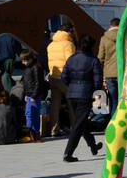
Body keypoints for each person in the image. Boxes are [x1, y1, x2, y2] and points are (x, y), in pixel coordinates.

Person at [61, 34, 103, 162]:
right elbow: (98, 82)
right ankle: (68, 153)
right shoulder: (94, 60)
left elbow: (64, 77)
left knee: (81, 121)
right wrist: (96, 96)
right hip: (85, 94)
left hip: (72, 94)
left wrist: (72, 85)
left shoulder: (71, 59)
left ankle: (93, 146)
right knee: (78, 125)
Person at [46, 20, 76, 137]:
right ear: (69, 31)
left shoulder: (51, 44)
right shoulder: (68, 44)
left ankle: (54, 129)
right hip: (65, 78)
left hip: (53, 76)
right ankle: (75, 127)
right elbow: (71, 62)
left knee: (55, 104)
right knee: (72, 102)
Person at [97, 17, 120, 120]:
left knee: (112, 99)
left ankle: (112, 122)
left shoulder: (104, 38)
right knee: (121, 100)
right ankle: (120, 122)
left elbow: (100, 57)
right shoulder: (125, 37)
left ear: (110, 26)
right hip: (122, 73)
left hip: (109, 73)